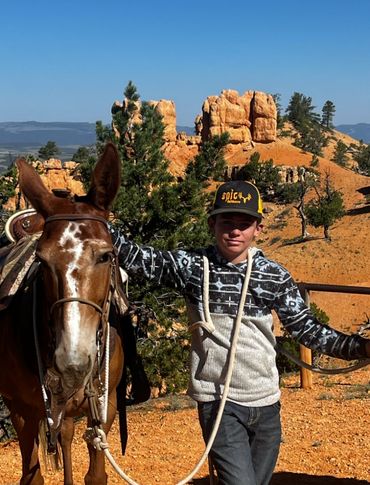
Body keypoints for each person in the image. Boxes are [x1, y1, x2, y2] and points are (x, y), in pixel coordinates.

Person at [111, 180, 370, 485]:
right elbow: (138, 257)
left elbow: (308, 330)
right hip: (219, 401)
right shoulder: (193, 267)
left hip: (266, 402)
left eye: (244, 223)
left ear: (258, 228)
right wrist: (94, 217)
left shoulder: (273, 275)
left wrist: (361, 348)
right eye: (227, 221)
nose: (235, 231)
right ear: (212, 223)